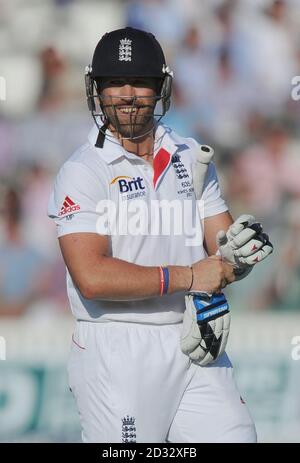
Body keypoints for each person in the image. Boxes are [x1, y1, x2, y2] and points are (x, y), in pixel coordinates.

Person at [47, 27, 273, 443]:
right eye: (114, 82)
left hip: (194, 338)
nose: (127, 94)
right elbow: (91, 278)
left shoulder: (191, 155)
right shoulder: (83, 172)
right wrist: (191, 277)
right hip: (116, 348)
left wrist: (239, 258)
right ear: (96, 90)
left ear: (160, 87)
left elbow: (221, 255)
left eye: (140, 82)